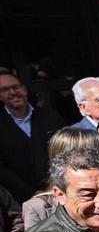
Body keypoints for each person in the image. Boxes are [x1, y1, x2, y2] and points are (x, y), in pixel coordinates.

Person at [0, 70, 65, 202]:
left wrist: (57, 185)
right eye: (5, 90)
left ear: (24, 89)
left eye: (15, 87)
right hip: (21, 199)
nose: (12, 92)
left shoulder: (50, 117)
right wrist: (31, 193)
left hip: (59, 191)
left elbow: (66, 151)